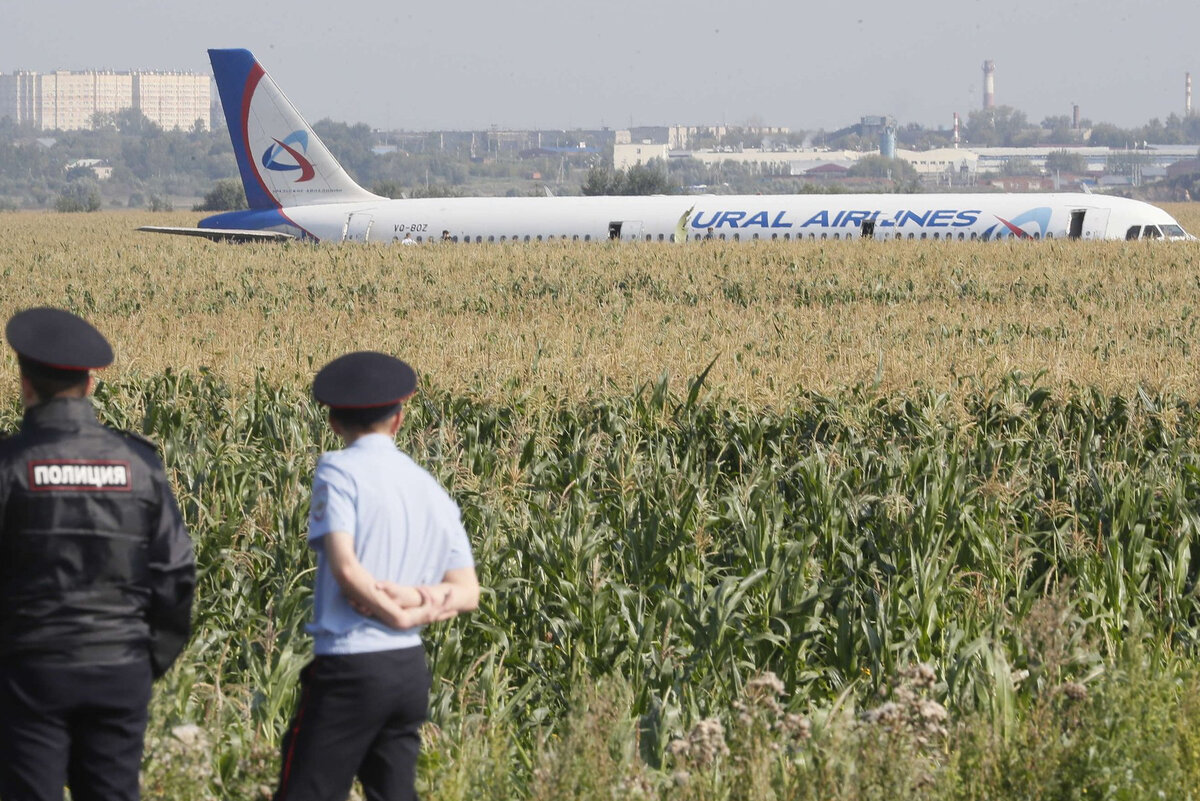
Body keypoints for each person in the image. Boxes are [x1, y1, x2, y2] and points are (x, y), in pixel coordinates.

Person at [0, 307, 195, 801]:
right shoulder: (139, 463)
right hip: (119, 667)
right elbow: (175, 574)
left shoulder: (9, 466)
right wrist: (145, 659)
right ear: (91, 385)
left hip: (31, 669)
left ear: (24, 384)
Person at [274, 351, 479, 801]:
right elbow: (467, 592)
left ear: (332, 422)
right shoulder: (429, 486)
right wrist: (412, 599)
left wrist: (394, 611)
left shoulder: (338, 470)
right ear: (399, 419)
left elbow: (345, 566)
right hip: (407, 670)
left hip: (351, 665)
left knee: (304, 791)